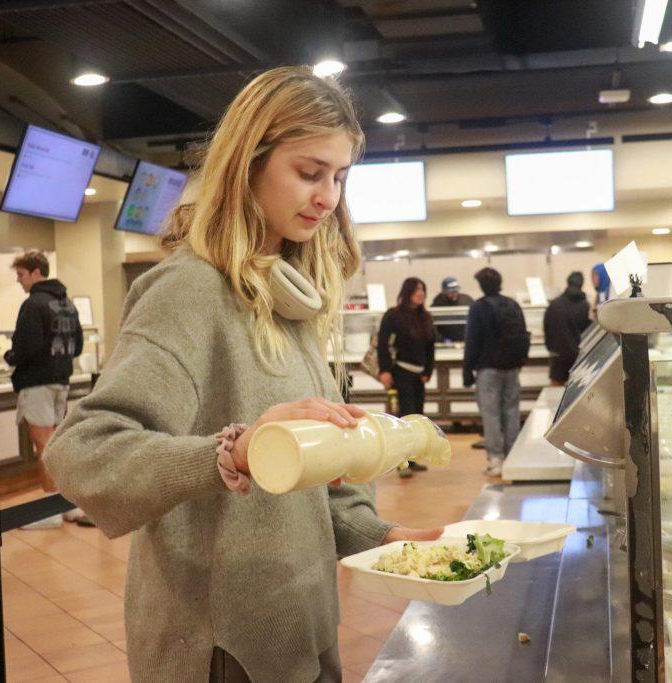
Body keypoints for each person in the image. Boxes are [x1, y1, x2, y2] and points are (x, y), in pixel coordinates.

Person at [42, 67, 440, 683]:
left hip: (303, 629)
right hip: (222, 650)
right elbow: (83, 451)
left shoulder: (292, 301)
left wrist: (391, 538)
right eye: (309, 173)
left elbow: (319, 484)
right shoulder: (190, 290)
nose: (329, 198)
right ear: (247, 164)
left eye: (339, 177)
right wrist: (234, 452)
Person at [4, 250, 89, 529]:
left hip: (36, 383)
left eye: (21, 275)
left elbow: (26, 347)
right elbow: (77, 346)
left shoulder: (33, 305)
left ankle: (49, 512)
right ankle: (66, 504)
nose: (19, 281)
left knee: (44, 446)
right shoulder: (67, 303)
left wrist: (10, 357)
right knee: (57, 444)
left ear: (36, 272)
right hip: (61, 380)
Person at [463, 267, 529, 477]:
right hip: (512, 368)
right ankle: (513, 456)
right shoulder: (512, 304)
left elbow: (472, 341)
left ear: (482, 285)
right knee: (511, 411)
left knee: (490, 414)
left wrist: (467, 370)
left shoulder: (479, 308)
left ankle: (496, 459)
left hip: (488, 369)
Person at [377, 277, 436, 478]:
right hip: (400, 372)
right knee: (405, 417)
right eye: (417, 290)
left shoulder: (425, 317)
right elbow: (383, 344)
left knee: (418, 417)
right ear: (407, 292)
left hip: (419, 375)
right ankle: (402, 463)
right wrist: (384, 370)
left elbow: (430, 347)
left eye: (423, 290)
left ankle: (412, 458)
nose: (421, 294)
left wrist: (428, 371)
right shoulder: (393, 316)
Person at [543, 271, 591, 386]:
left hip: (558, 354)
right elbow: (586, 330)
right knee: (576, 390)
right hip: (577, 354)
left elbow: (546, 327)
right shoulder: (585, 305)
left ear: (568, 283)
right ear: (581, 284)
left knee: (556, 391)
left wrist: (551, 348)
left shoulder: (554, 304)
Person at [430, 276, 473, 342]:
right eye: (451, 292)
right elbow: (433, 327)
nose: (454, 294)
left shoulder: (466, 300)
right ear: (444, 292)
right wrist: (443, 340)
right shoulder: (437, 305)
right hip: (445, 343)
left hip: (465, 340)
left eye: (456, 291)